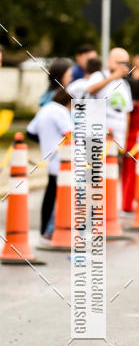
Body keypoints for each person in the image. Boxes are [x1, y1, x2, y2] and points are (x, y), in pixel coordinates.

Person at [26, 86, 72, 239]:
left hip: (50, 159)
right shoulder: (62, 111)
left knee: (50, 195)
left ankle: (45, 228)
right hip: (63, 161)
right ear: (68, 103)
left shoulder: (44, 109)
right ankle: (53, 230)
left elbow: (30, 132)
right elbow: (69, 134)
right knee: (61, 197)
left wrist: (46, 142)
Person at [85, 47, 132, 151]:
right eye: (118, 62)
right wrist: (113, 77)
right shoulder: (99, 76)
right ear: (109, 61)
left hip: (118, 140)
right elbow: (91, 89)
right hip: (96, 138)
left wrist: (125, 139)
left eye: (125, 63)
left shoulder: (125, 84)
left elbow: (127, 113)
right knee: (93, 167)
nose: (122, 66)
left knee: (115, 167)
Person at [121, 54, 139, 212]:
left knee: (126, 175)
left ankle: (126, 202)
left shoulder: (128, 109)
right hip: (134, 144)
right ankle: (127, 203)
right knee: (131, 176)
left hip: (127, 142)